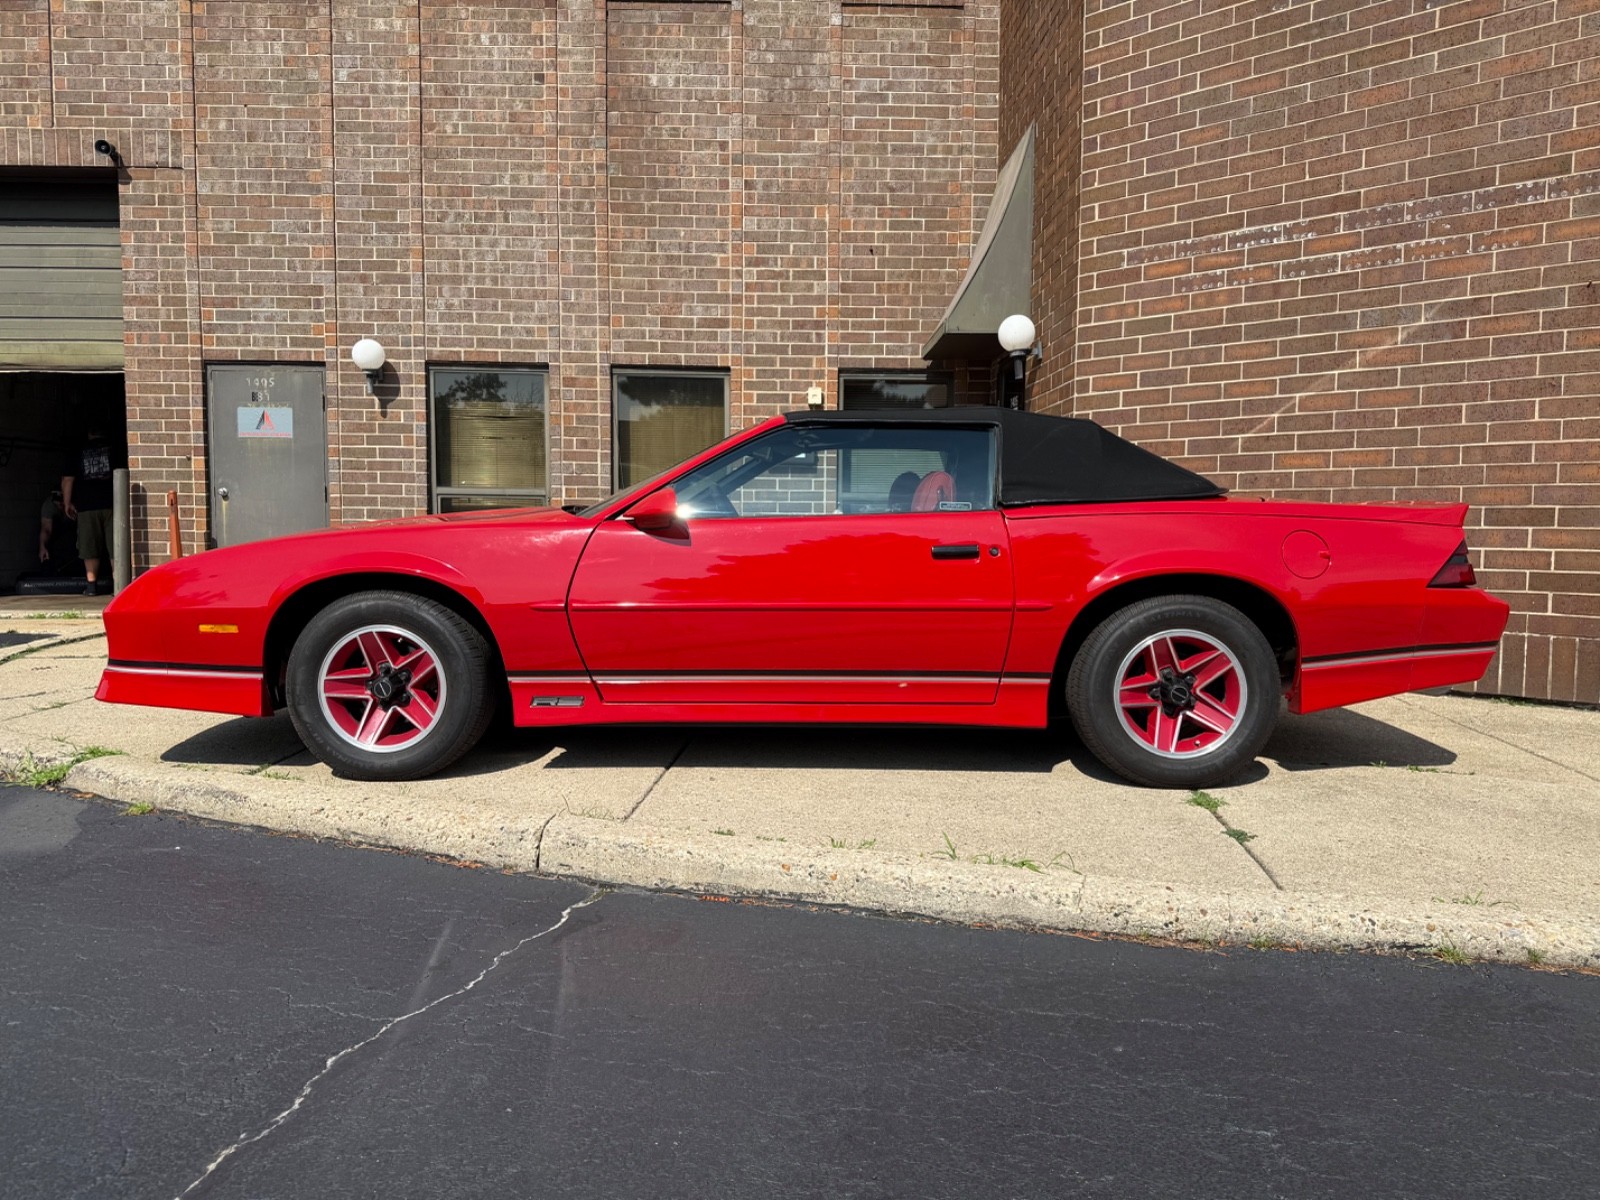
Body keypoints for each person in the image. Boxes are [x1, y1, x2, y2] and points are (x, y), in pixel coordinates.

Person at [61, 427, 121, 596]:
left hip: (86, 505)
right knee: (115, 545)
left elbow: (68, 479)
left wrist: (67, 503)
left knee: (89, 546)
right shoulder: (114, 449)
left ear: (89, 432)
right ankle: (119, 586)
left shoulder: (77, 450)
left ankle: (91, 586)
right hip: (113, 503)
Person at [37, 489, 77, 575]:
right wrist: (42, 546)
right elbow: (46, 529)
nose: (60, 506)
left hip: (75, 530)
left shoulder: (77, 504)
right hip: (59, 531)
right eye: (57, 504)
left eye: (62, 504)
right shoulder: (49, 505)